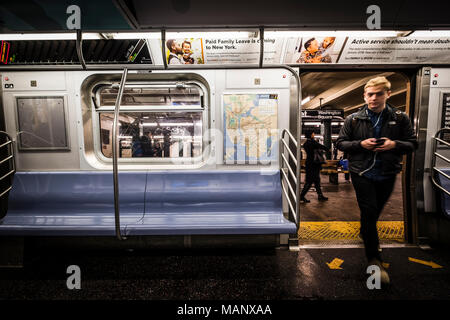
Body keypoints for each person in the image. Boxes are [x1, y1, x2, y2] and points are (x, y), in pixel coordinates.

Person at [336, 76, 418, 286]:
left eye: (378, 94)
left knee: (374, 211)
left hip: (387, 173)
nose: (373, 98)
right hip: (361, 172)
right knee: (369, 210)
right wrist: (361, 144)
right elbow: (342, 143)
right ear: (364, 95)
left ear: (387, 94)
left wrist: (394, 144)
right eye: (370, 94)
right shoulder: (353, 119)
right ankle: (375, 260)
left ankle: (366, 231)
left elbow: (412, 144)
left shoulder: (400, 118)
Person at [300, 130, 330, 202]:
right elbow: (321, 146)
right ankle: (301, 196)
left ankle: (320, 196)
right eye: (313, 133)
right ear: (310, 135)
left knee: (316, 181)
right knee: (309, 182)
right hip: (313, 164)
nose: (314, 134)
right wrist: (328, 149)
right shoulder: (312, 142)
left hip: (310, 164)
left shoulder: (306, 143)